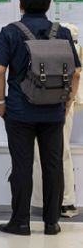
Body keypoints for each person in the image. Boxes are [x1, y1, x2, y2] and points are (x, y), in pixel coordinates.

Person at [0, 0, 81, 236]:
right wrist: (67, 101)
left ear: (20, 4)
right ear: (48, 5)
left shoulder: (10, 32)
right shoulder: (62, 32)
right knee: (53, 165)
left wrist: (0, 102)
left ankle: (20, 222)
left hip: (19, 110)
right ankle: (52, 223)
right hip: (53, 110)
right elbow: (75, 72)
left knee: (22, 166)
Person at [31, 22, 83, 218]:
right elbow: (76, 75)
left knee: (50, 152)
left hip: (53, 101)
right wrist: (70, 100)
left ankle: (59, 201)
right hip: (63, 101)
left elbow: (76, 74)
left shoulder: (57, 47)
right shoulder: (71, 46)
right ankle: (63, 201)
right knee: (60, 151)